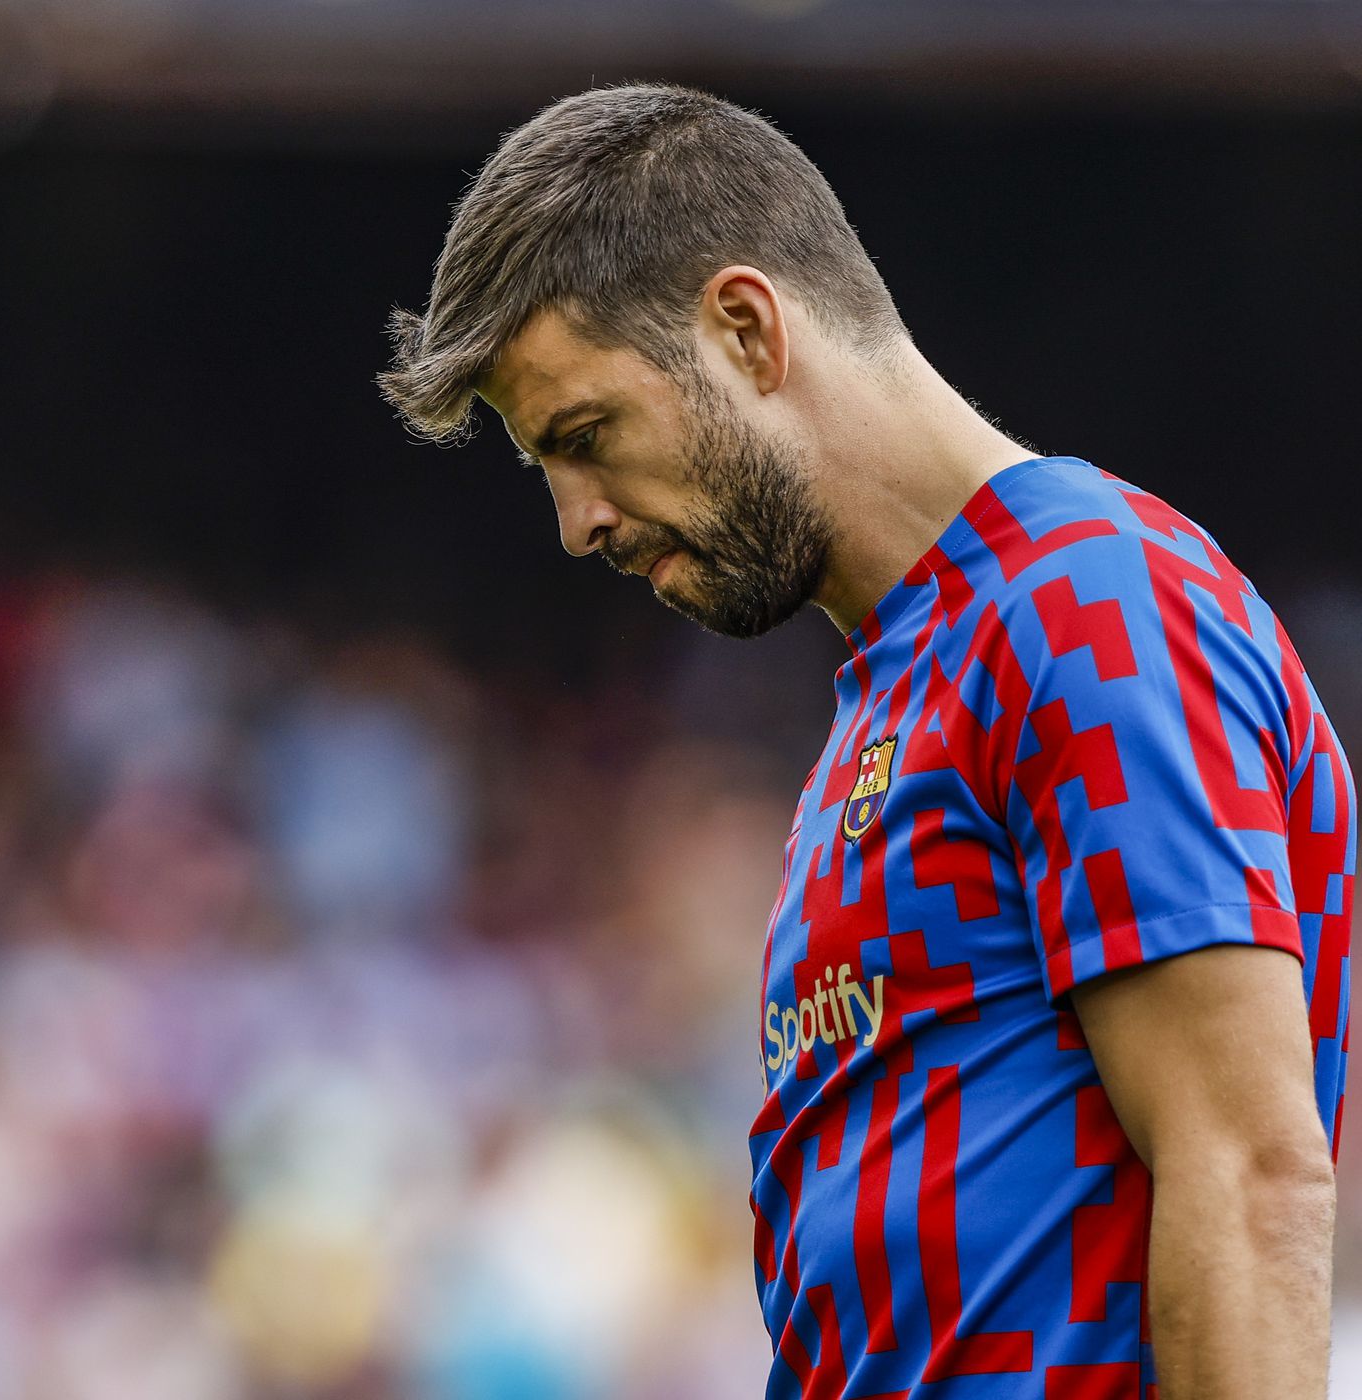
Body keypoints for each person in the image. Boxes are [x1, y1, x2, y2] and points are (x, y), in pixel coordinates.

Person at [378, 83, 1353, 1400]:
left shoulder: (1088, 605)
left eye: (588, 438)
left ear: (743, 327)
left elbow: (1247, 1178)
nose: (578, 523)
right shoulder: (905, 680)